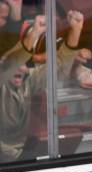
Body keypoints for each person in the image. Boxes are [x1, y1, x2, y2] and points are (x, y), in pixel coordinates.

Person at [0, 11, 83, 163]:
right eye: (19, 60)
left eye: (26, 62)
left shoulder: (27, 80)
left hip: (17, 156)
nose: (21, 68)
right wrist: (35, 32)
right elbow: (10, 65)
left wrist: (75, 30)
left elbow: (58, 67)